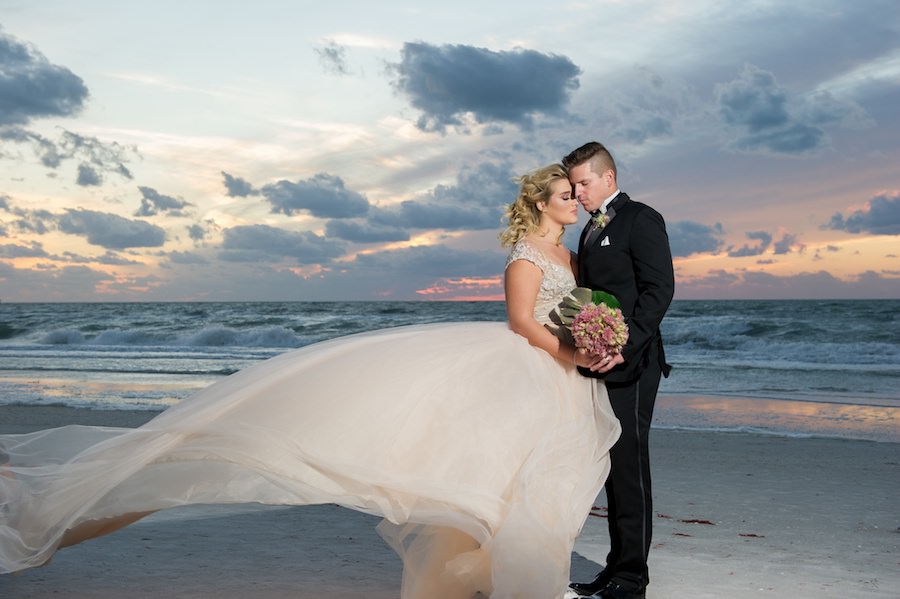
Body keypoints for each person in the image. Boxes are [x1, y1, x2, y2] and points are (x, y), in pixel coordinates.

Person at [0, 164, 620, 599]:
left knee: (528, 481)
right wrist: (572, 352)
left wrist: (595, 338)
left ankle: (519, 577)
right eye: (566, 192)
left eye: (577, 191)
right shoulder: (525, 256)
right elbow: (519, 322)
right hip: (533, 369)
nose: (575, 198)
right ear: (542, 201)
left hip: (558, 379)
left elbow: (572, 307)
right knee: (491, 476)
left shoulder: (574, 253)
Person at [563, 142, 674, 599]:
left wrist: (624, 347)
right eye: (573, 186)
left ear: (608, 178)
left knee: (629, 466)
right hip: (598, 363)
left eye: (584, 184)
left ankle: (633, 577)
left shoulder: (640, 218)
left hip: (633, 365)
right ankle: (615, 568)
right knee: (611, 466)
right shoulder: (590, 228)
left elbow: (659, 290)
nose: (578, 194)